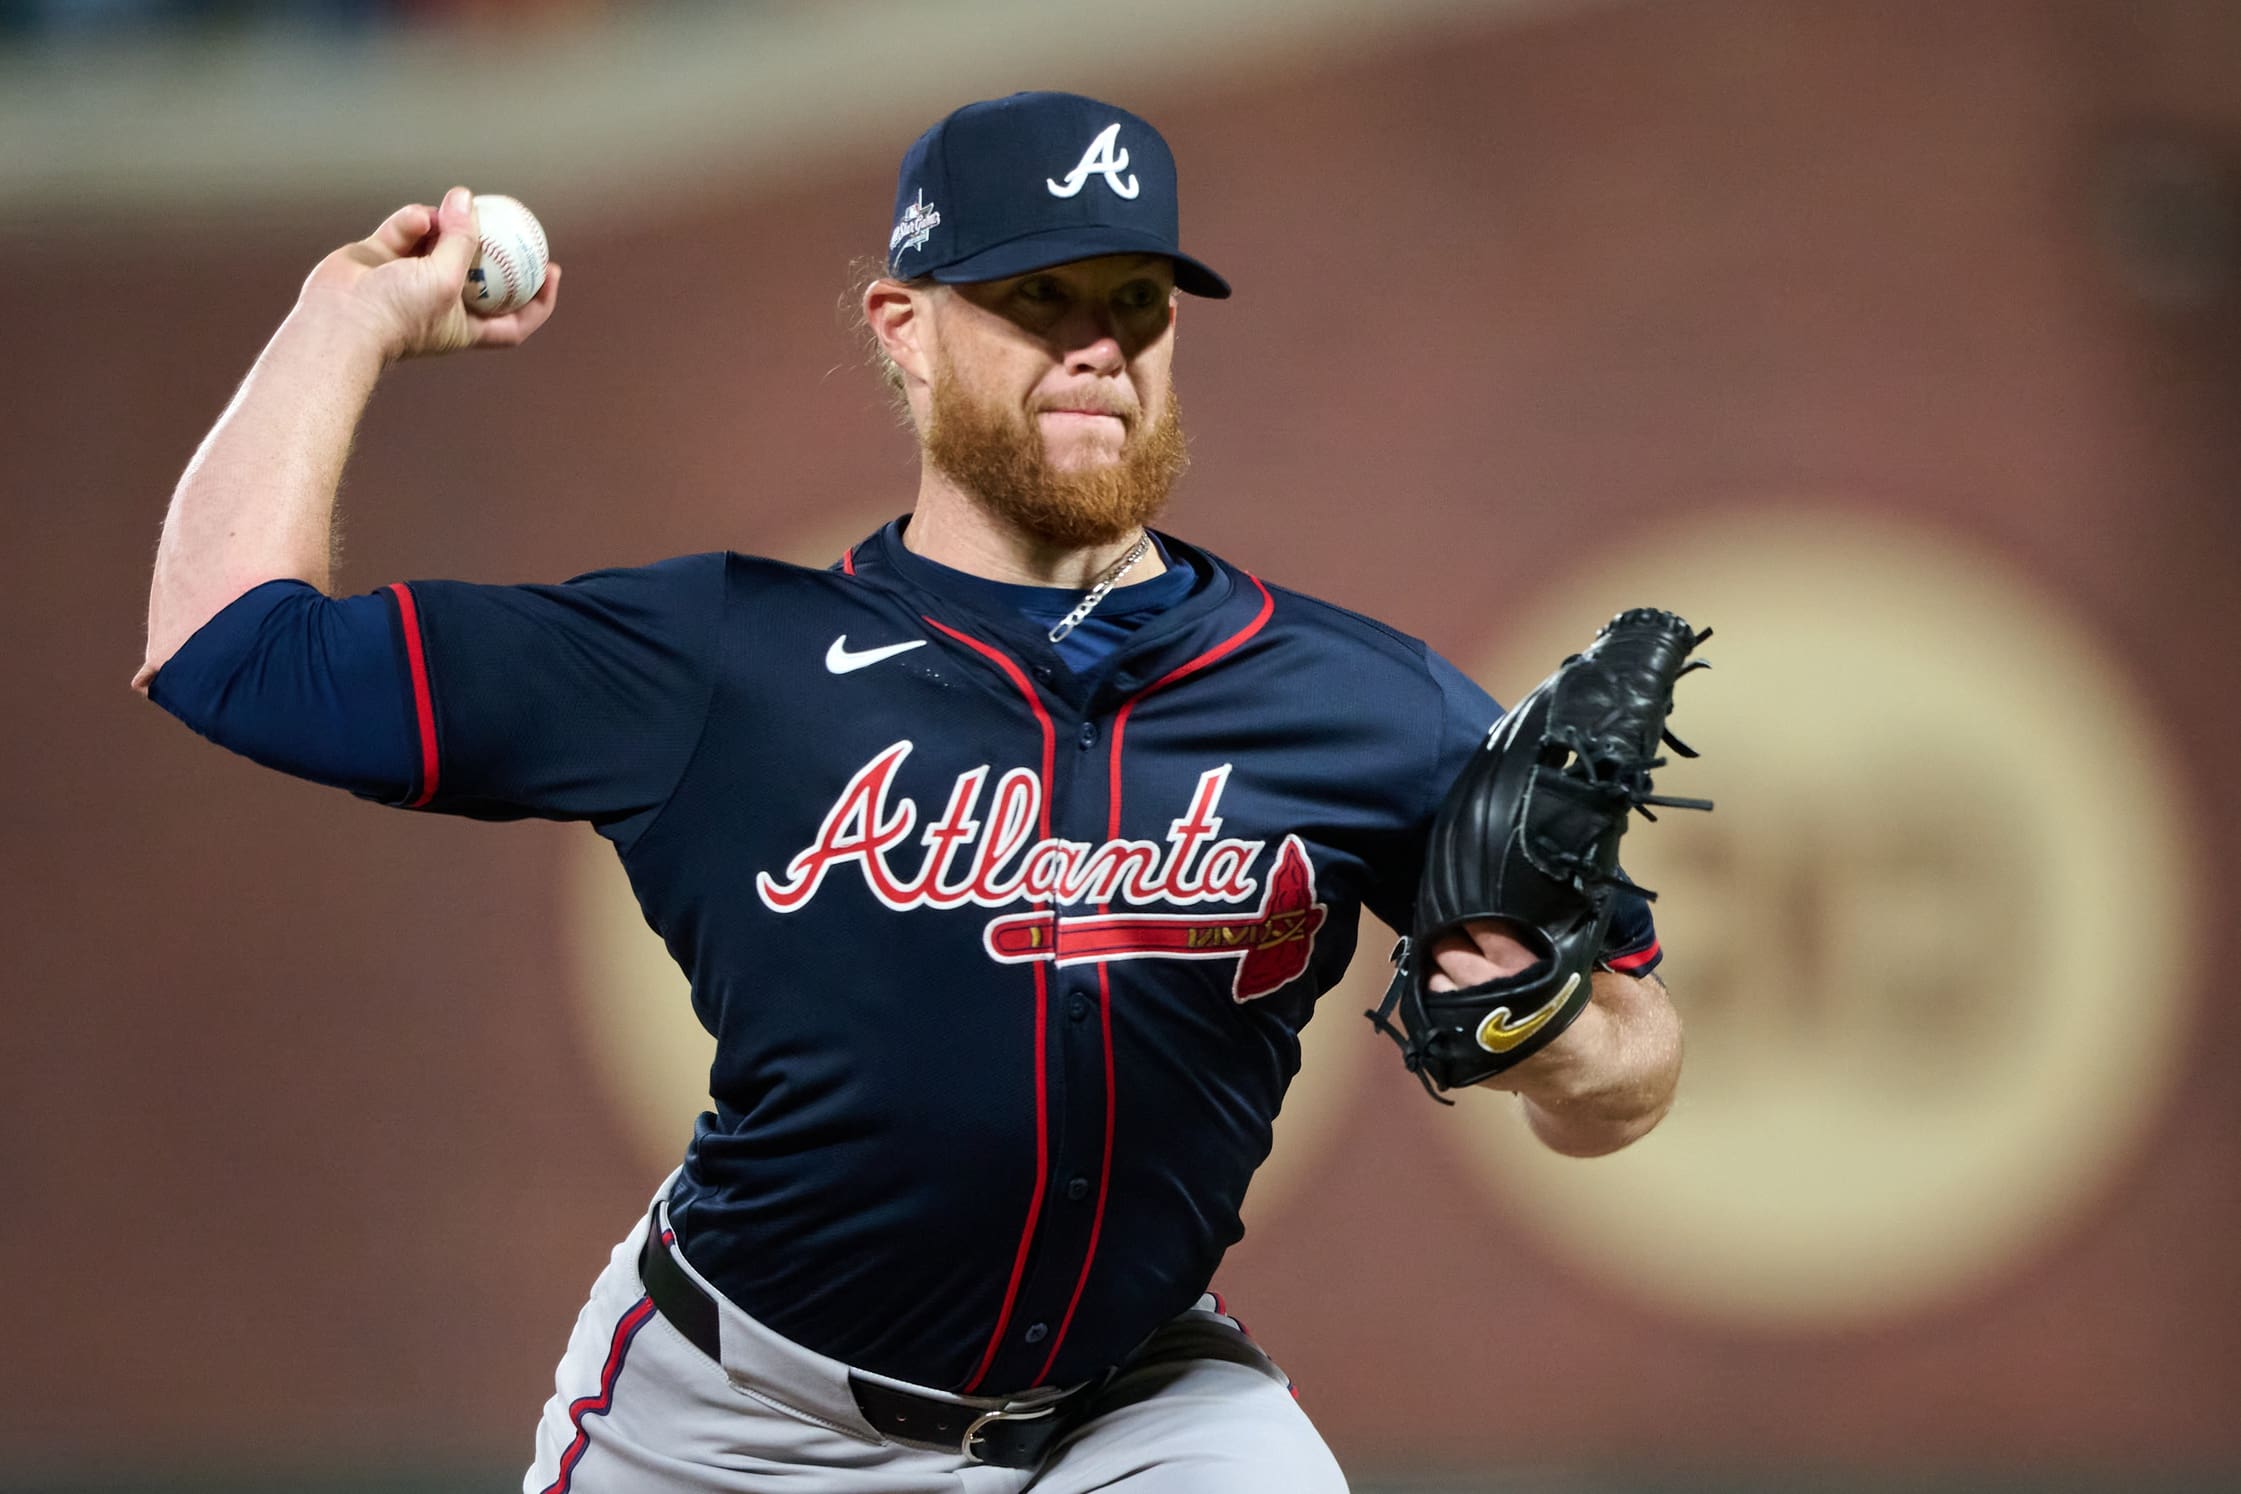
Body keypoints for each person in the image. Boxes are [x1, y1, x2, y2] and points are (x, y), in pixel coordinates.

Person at [135, 91, 1683, 1493]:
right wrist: (342, 317)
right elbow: (224, 651)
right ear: (904, 324)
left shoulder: (1360, 702)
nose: (1096, 346)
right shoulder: (718, 660)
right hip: (737, 1425)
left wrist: (1552, 1036)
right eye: (1035, 297)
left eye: (1134, 303)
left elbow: (1629, 1077)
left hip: (1129, 1408)